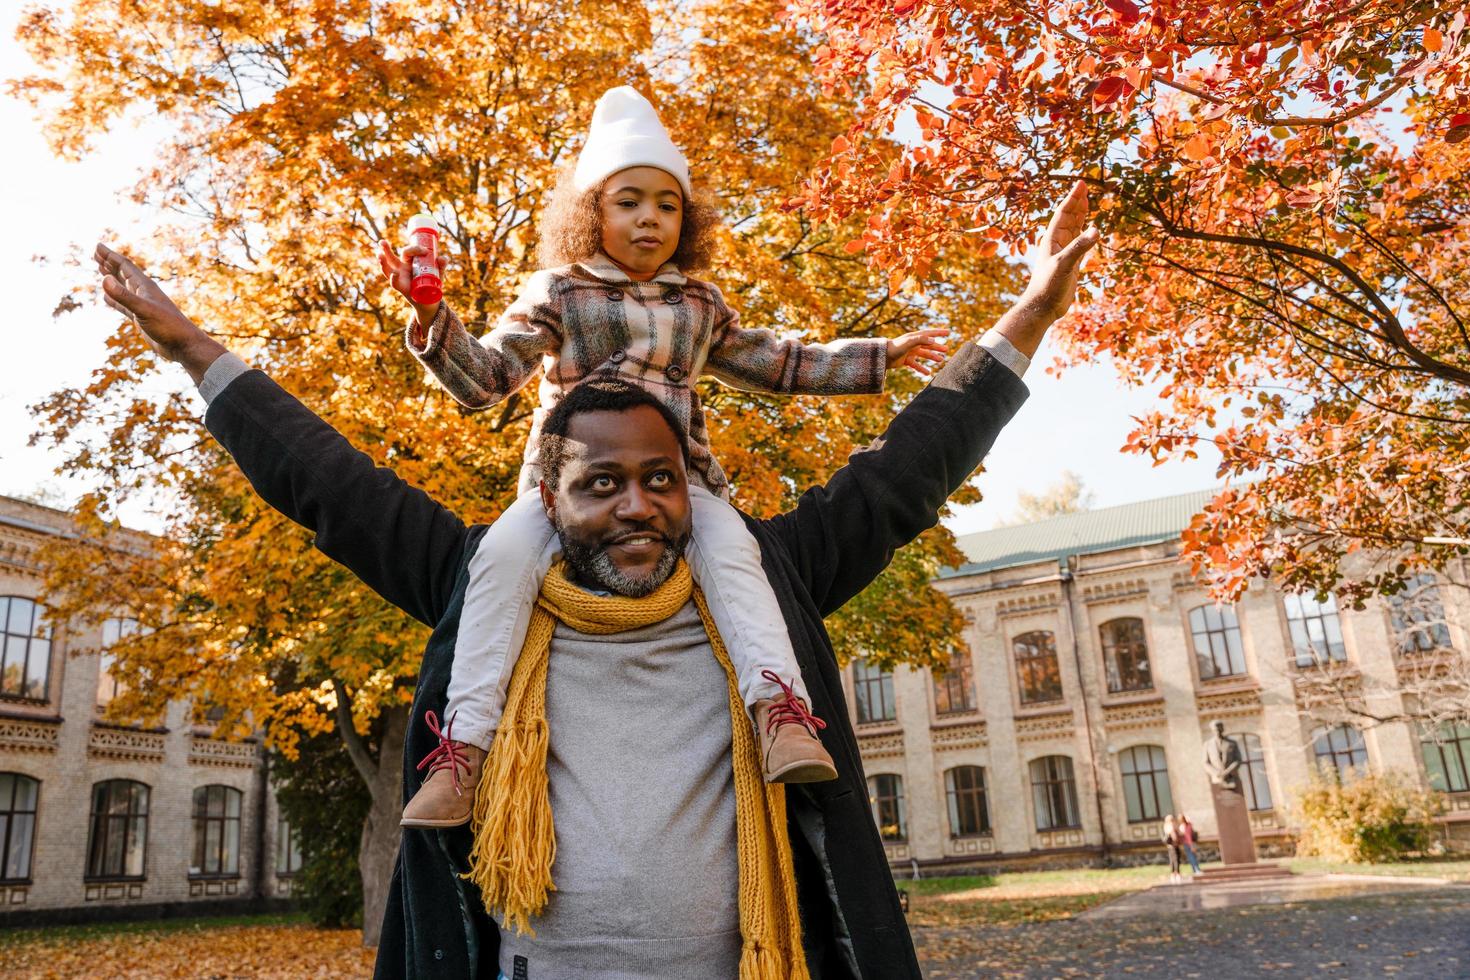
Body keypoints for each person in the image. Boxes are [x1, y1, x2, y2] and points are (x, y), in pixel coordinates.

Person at [94, 179, 1097, 978]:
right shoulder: (484, 582)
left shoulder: (764, 582)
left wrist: (1032, 314)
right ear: (550, 492)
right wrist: (191, 347)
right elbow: (327, 482)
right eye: (601, 481)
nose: (635, 504)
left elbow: (908, 470)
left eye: (660, 478)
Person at [376, 86, 954, 826]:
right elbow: (487, 381)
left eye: (666, 204)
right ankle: (463, 753)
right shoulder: (557, 292)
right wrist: (431, 317)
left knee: (737, 554)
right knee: (497, 562)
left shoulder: (698, 304)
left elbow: (779, 364)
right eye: (628, 202)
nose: (649, 218)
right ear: (593, 214)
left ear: (687, 221)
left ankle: (780, 712)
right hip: (570, 488)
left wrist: (877, 355)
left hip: (675, 482)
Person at [1162, 813, 1183, 885]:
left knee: (1175, 860)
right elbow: (1174, 835)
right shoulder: (1169, 826)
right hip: (1172, 845)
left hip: (1173, 845)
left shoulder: (1168, 826)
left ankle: (1175, 874)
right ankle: (1176, 874)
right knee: (1175, 860)